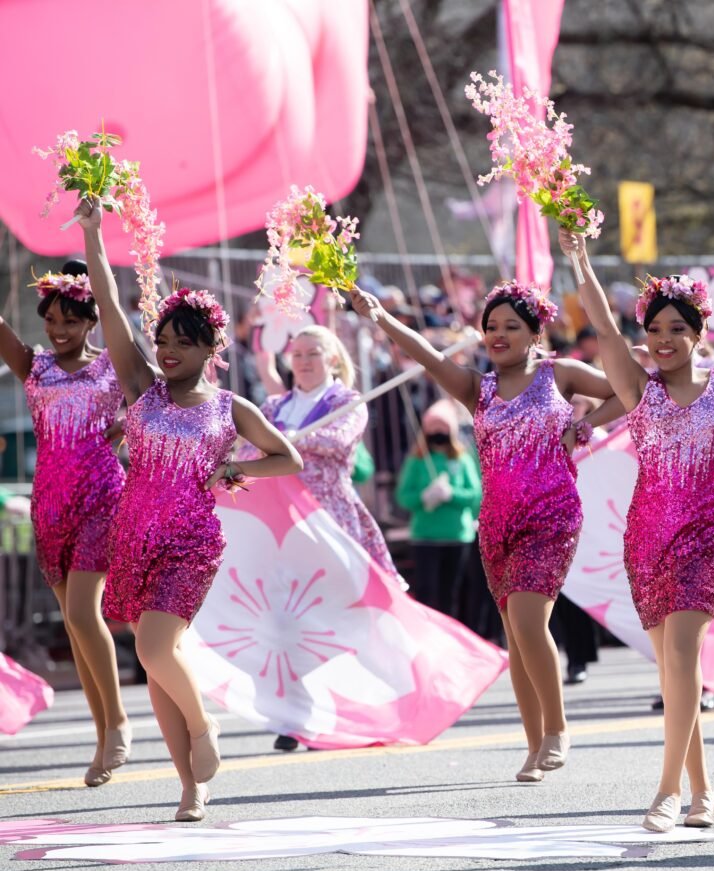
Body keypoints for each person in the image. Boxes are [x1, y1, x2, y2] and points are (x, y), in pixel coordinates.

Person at [561, 228, 714, 833]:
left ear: (697, 333)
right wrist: (580, 259)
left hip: (709, 532)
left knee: (682, 651)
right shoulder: (637, 389)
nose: (663, 340)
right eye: (655, 329)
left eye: (676, 329)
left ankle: (666, 792)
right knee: (672, 670)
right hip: (647, 534)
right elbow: (604, 325)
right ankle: (703, 788)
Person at [79, 197, 302, 822]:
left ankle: (205, 733)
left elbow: (286, 458)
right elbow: (111, 309)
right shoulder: (141, 389)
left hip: (190, 542)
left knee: (154, 649)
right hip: (134, 536)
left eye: (184, 342)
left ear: (211, 348)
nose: (169, 351)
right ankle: (191, 787)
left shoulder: (230, 408)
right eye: (165, 341)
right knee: (157, 668)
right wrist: (96, 237)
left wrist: (234, 468)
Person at [355, 280, 617, 783]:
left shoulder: (559, 375)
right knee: (517, 638)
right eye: (491, 327)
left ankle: (558, 730)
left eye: (510, 327)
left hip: (552, 516)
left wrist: (586, 426)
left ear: (535, 332)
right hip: (496, 522)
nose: (498, 335)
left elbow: (629, 392)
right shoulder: (479, 388)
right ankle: (534, 745)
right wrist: (381, 319)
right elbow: (430, 357)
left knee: (527, 619)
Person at [0, 262, 131, 786]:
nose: (58, 330)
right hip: (50, 506)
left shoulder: (114, 366)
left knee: (82, 613)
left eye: (70, 321)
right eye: (51, 319)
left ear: (92, 322)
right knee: (76, 630)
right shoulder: (33, 366)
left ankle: (119, 722)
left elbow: (150, 402)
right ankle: (102, 740)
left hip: (101, 499)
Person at [251, 325, 400, 751]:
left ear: (332, 358)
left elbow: (336, 441)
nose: (303, 361)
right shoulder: (274, 406)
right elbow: (246, 449)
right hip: (281, 525)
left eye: (313, 353)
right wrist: (274, 444)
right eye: (296, 353)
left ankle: (345, 711)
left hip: (330, 522)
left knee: (331, 619)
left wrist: (280, 445)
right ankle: (296, 715)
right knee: (283, 619)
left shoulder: (346, 403)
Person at [394, 403, 480, 620]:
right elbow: (404, 497)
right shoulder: (417, 460)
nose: (436, 432)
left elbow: (475, 495)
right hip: (425, 537)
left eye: (441, 427)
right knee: (426, 593)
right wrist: (423, 497)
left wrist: (451, 494)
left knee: (452, 594)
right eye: (432, 427)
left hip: (456, 537)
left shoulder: (462, 459)